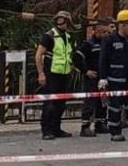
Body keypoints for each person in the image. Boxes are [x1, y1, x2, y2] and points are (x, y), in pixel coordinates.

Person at [99, 9, 128, 142]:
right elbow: (103, 60)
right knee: (115, 107)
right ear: (123, 25)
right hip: (115, 80)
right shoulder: (110, 40)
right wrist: (103, 78)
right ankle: (115, 132)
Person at [35, 10, 80, 140]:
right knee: (50, 103)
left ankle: (56, 129)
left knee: (61, 103)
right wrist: (41, 73)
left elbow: (66, 54)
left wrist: (71, 66)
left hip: (63, 74)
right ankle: (47, 130)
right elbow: (39, 54)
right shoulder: (49, 36)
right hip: (51, 74)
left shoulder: (67, 36)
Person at [72, 17, 113, 137]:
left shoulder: (106, 43)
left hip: (103, 77)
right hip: (92, 78)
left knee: (103, 101)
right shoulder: (89, 44)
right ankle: (85, 127)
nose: (106, 34)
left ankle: (100, 124)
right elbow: (76, 58)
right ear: (95, 32)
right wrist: (85, 71)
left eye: (106, 32)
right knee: (90, 102)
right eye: (103, 32)